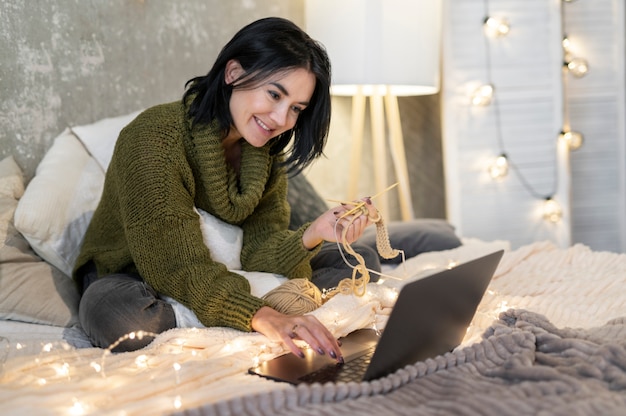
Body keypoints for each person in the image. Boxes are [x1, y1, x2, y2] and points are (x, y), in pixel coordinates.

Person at [73, 17, 378, 362]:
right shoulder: (153, 138)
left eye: (296, 109)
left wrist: (314, 233)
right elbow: (177, 265)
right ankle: (242, 308)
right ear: (233, 73)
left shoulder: (263, 155)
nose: (281, 119)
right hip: (134, 278)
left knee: (360, 260)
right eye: (274, 94)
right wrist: (263, 315)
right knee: (122, 319)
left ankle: (223, 308)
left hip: (227, 271)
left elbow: (258, 249)